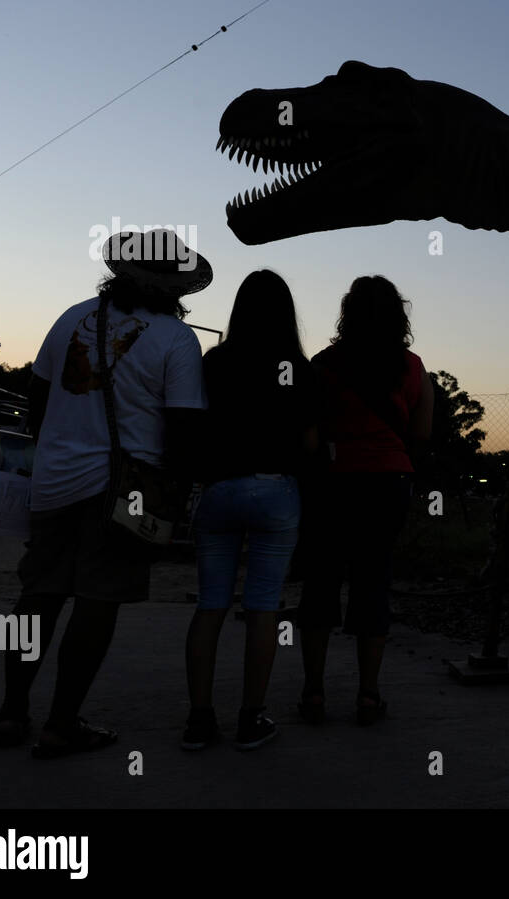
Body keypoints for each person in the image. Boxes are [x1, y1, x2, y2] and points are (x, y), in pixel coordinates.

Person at [0, 228, 210, 757]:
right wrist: (178, 495)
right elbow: (183, 429)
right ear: (172, 287)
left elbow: (36, 399)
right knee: (97, 601)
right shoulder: (176, 339)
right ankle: (61, 724)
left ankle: (10, 714)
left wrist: (54, 454)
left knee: (38, 597)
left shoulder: (71, 317)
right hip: (124, 492)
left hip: (54, 482)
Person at [183, 270, 318, 751]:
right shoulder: (297, 368)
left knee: (210, 604)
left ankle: (199, 720)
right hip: (275, 491)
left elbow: (196, 425)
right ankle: (250, 718)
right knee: (263, 608)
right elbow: (309, 442)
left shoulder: (215, 361)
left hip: (219, 490)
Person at [294, 276, 433, 726]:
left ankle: (313, 694)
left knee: (320, 584)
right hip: (387, 483)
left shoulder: (322, 365)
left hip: (333, 484)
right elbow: (421, 435)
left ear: (346, 313)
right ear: (399, 316)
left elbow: (308, 435)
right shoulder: (412, 367)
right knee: (373, 584)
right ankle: (368, 696)